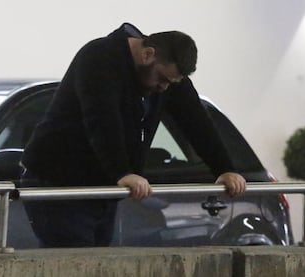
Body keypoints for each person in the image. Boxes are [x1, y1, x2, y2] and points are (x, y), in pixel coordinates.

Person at [20, 22, 246, 247]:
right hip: (58, 183)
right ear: (148, 54)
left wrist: (224, 168)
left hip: (100, 189)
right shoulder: (99, 57)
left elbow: (196, 121)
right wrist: (122, 171)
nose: (164, 87)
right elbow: (101, 118)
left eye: (171, 82)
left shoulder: (164, 70)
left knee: (94, 264)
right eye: (162, 79)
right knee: (75, 262)